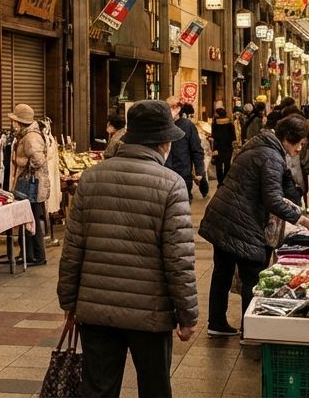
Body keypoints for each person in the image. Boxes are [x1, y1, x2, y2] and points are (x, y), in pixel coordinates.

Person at [58, 100, 198, 398]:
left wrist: (69, 302)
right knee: (155, 387)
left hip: (95, 308)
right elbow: (179, 259)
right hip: (151, 313)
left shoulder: (92, 178)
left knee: (97, 388)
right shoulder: (172, 184)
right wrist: (187, 316)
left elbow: (72, 247)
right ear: (163, 143)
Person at [198, 116, 309, 336]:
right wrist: (299, 218)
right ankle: (250, 330)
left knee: (222, 271)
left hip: (222, 214)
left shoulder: (258, 145)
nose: (300, 149)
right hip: (240, 220)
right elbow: (272, 198)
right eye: (299, 143)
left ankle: (216, 323)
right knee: (252, 272)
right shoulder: (271, 155)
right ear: (288, 138)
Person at [8, 103, 50, 266]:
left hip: (32, 186)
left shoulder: (31, 137)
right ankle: (28, 253)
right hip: (32, 185)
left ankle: (38, 256)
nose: (13, 125)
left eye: (14, 121)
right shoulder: (27, 135)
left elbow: (38, 160)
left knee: (31, 218)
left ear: (20, 122)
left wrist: (20, 161)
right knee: (28, 218)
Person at [163, 98, 206, 199]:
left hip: (183, 173)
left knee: (183, 204)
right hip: (165, 174)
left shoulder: (187, 125)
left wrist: (199, 171)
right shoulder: (162, 126)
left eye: (172, 107)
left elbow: (196, 149)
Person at [210, 105, 237, 186]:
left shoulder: (215, 123)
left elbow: (213, 136)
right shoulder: (230, 123)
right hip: (228, 147)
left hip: (218, 148)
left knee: (218, 166)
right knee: (227, 165)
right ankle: (225, 181)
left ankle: (220, 182)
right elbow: (233, 137)